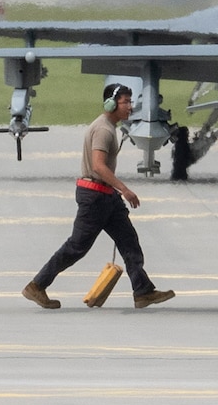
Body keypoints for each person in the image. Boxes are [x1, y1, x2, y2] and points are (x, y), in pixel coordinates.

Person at [23, 84, 174, 311]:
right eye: (125, 102)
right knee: (77, 247)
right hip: (95, 196)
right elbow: (99, 166)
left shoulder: (109, 127)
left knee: (129, 242)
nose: (130, 107)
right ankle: (37, 285)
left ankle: (142, 291)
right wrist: (125, 189)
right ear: (111, 104)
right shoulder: (103, 130)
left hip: (106, 196)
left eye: (130, 102)